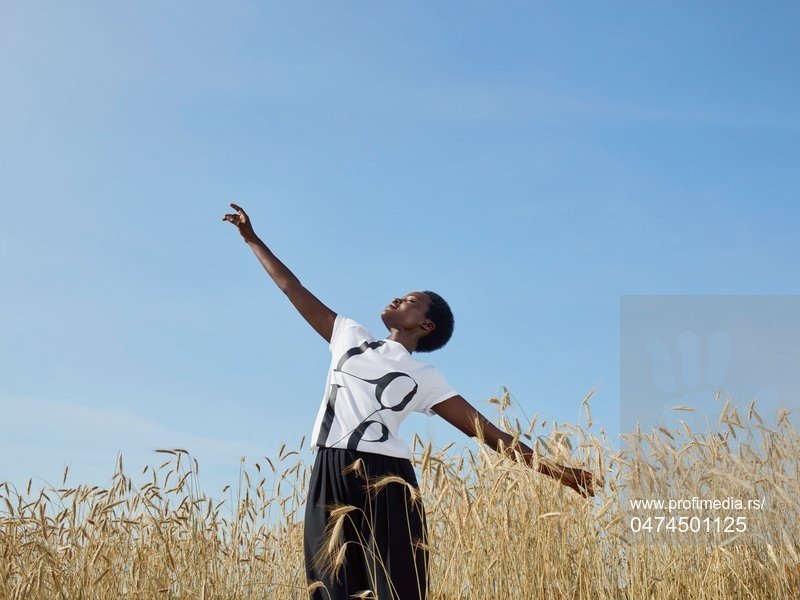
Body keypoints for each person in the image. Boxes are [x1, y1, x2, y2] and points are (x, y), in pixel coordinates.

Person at [222, 203, 595, 600]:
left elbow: (487, 433)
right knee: (329, 588)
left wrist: (560, 474)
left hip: (387, 475)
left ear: (425, 325)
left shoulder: (426, 378)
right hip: (330, 468)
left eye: (411, 300)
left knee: (397, 588)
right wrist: (252, 239)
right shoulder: (349, 336)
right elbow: (290, 287)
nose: (399, 298)